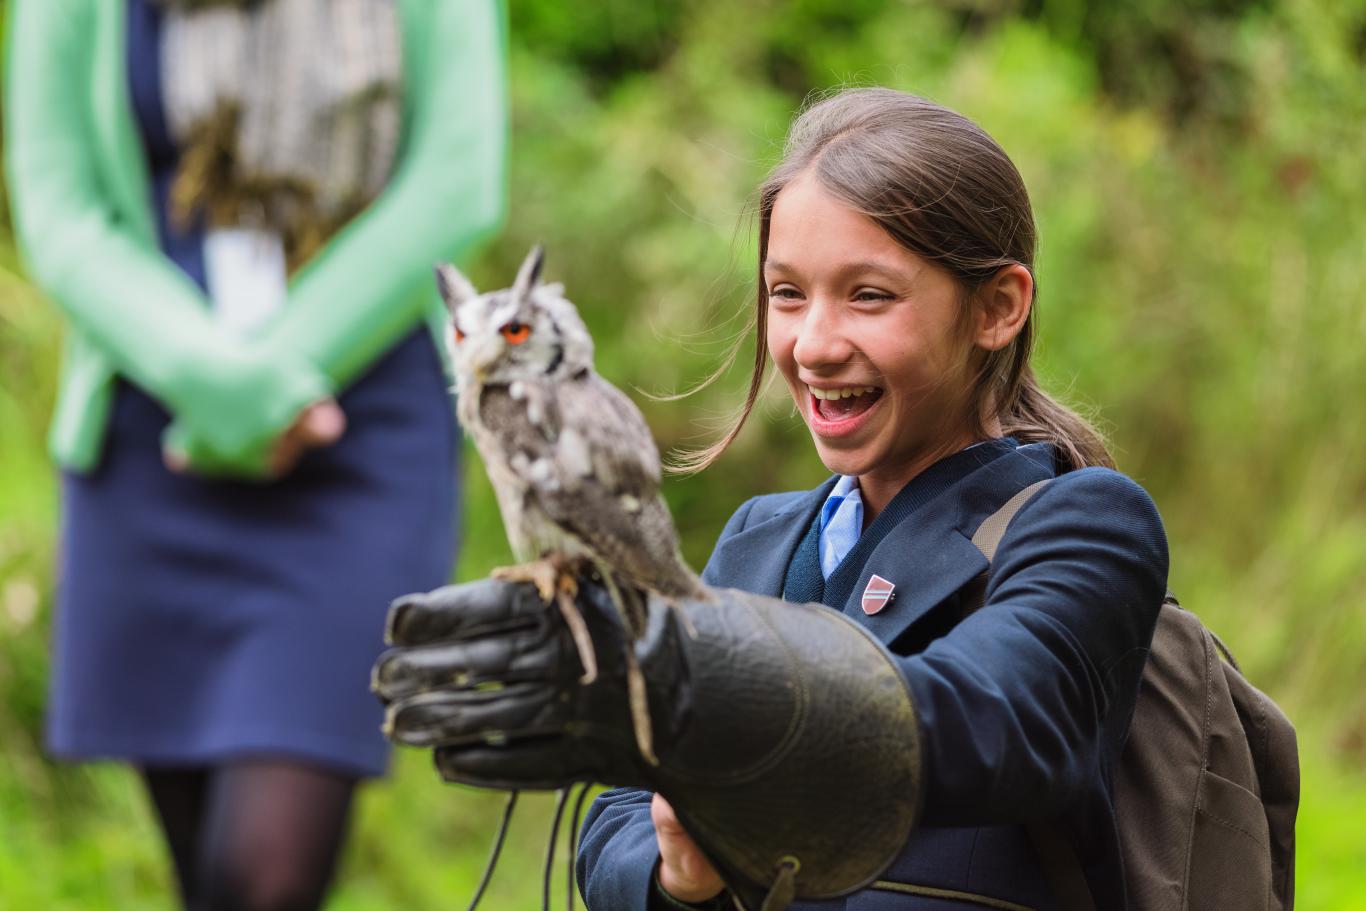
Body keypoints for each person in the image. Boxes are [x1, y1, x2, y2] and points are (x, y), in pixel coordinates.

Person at [373, 87, 1168, 911]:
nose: (814, 344)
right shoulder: (762, 538)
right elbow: (614, 824)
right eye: (786, 293)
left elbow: (999, 719)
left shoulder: (1084, 520)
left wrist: (706, 684)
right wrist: (682, 871)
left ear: (997, 307)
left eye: (869, 295)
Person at [4, 0, 505, 908]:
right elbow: (56, 203)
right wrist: (216, 386)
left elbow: (459, 179)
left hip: (357, 440)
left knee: (262, 875)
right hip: (152, 440)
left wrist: (272, 379)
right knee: (205, 869)